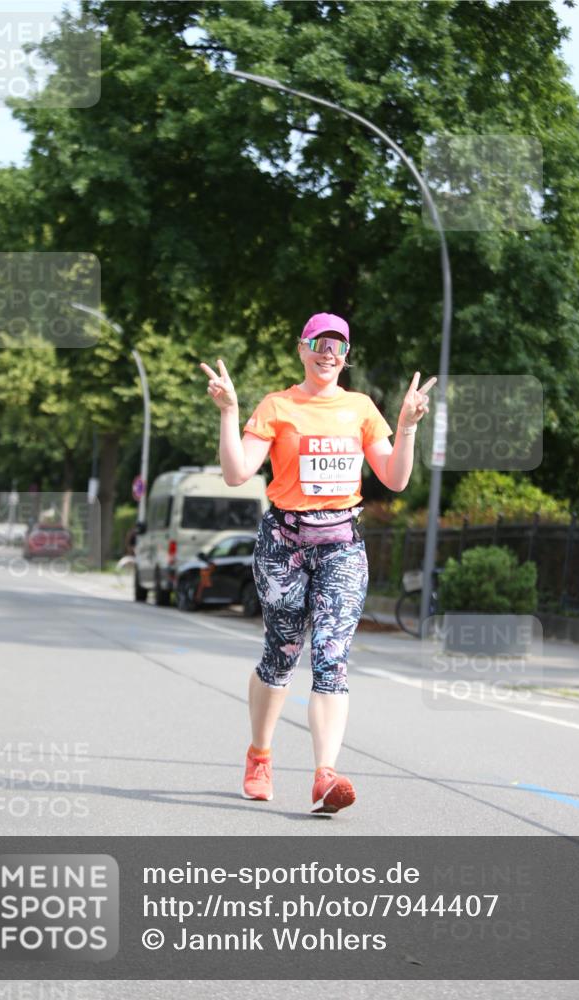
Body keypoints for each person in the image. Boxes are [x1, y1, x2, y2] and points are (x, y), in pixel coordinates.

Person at [200, 312, 436, 814]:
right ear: (302, 348)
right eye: (319, 344)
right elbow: (237, 472)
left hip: (341, 545)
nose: (329, 353)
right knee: (282, 652)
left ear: (345, 357)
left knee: (332, 655)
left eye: (338, 347)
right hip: (284, 543)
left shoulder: (361, 408)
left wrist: (407, 427)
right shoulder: (277, 406)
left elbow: (394, 479)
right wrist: (228, 412)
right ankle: (260, 756)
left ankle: (325, 775)